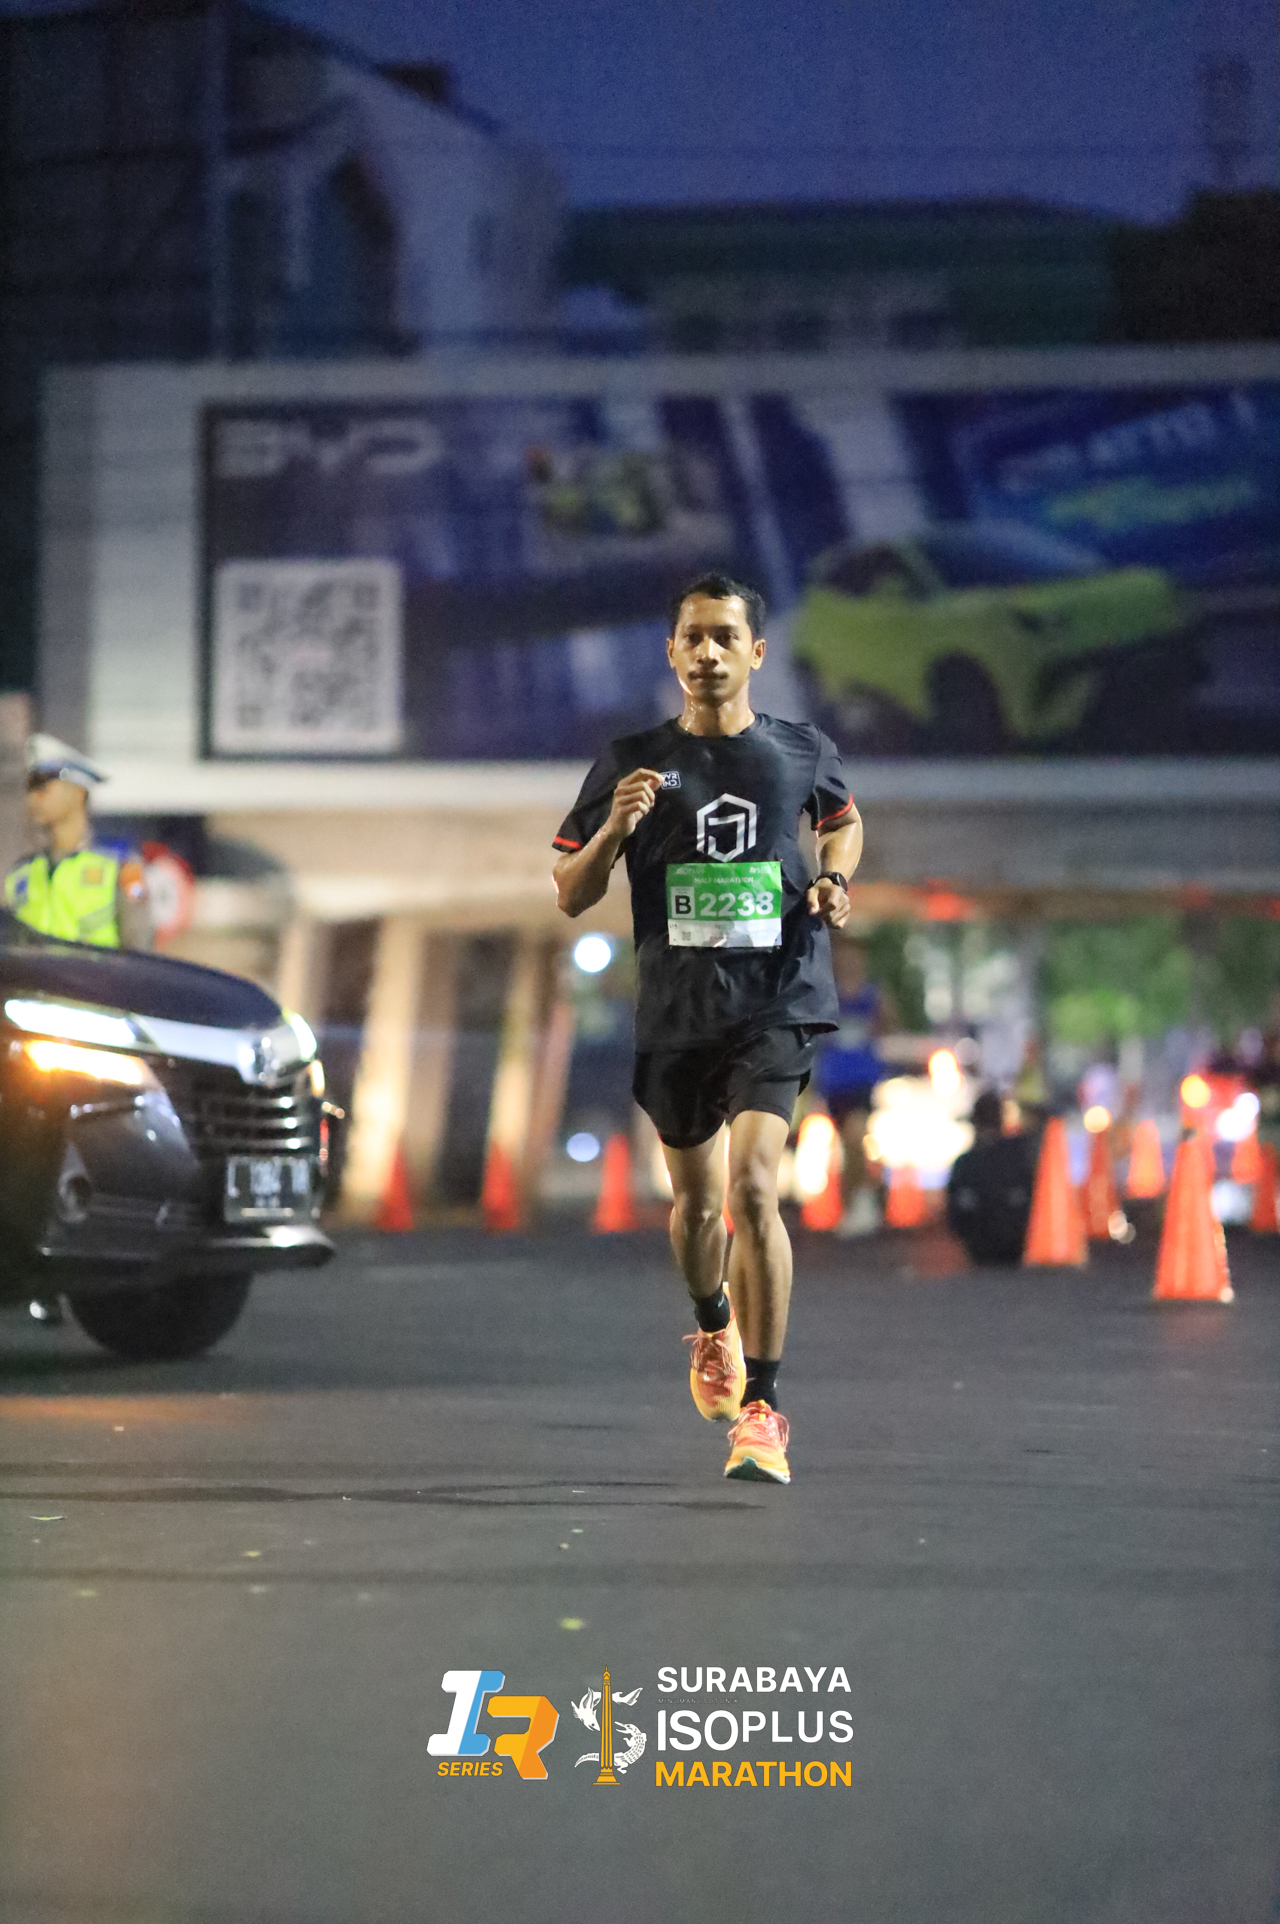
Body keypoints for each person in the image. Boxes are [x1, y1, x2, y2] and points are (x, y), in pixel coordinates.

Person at [553, 572, 862, 1484]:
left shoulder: (799, 750)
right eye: (693, 637)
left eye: (726, 636)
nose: (709, 652)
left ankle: (762, 1408)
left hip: (777, 997)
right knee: (695, 1208)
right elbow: (570, 893)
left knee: (755, 1190)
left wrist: (834, 879)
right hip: (679, 1010)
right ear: (671, 653)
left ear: (756, 653)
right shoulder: (631, 760)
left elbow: (844, 824)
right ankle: (713, 1322)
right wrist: (614, 829)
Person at [5, 733, 152, 950]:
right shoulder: (20, 874)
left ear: (77, 791)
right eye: (29, 786)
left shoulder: (121, 869)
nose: (32, 797)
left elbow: (140, 953)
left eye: (42, 785)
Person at [813, 935, 895, 1237]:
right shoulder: (825, 992)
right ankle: (852, 1206)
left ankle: (863, 1198)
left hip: (862, 1078)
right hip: (835, 1080)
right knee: (846, 1146)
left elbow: (888, 1025)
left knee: (855, 1135)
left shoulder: (873, 994)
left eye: (855, 957)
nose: (849, 962)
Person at [946, 1088, 1037, 1266]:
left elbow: (955, 1211)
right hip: (1007, 1242)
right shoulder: (1016, 1157)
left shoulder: (966, 1163)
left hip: (983, 1244)